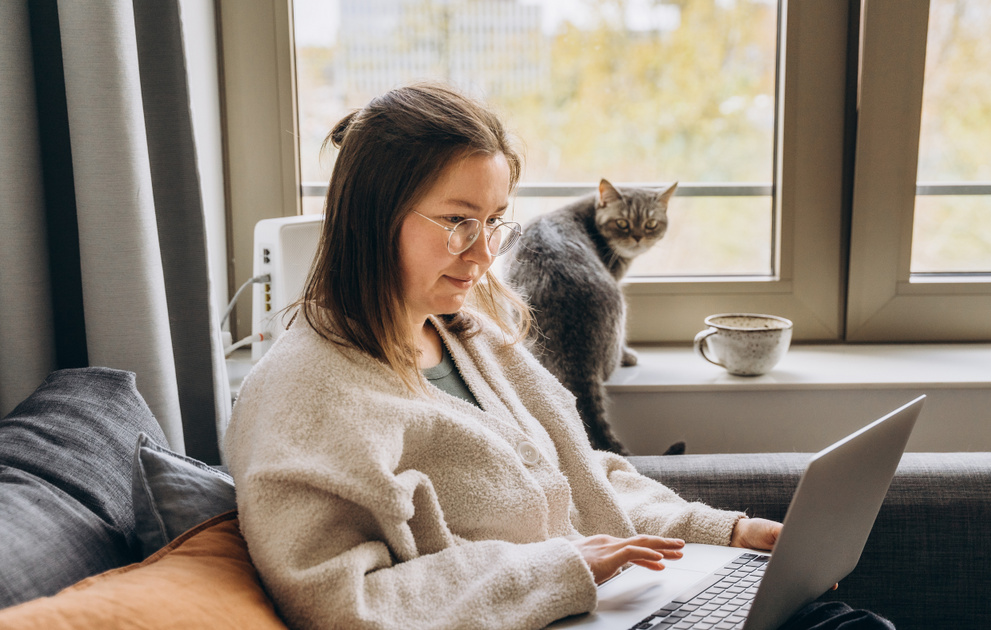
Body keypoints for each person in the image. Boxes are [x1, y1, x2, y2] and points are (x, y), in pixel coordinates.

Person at [225, 83, 893, 630]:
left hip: (615, 607)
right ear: (372, 216)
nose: (485, 253)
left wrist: (721, 531)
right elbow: (339, 604)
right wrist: (562, 569)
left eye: (495, 221)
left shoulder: (470, 332)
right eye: (458, 220)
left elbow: (580, 474)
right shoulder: (304, 394)